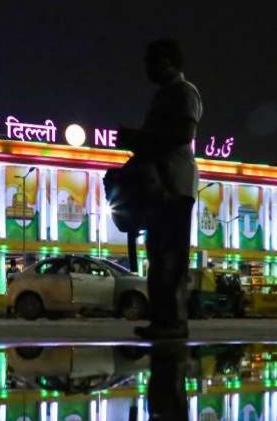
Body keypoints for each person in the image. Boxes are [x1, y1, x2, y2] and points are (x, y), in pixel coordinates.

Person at [118, 39, 203, 341]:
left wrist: (138, 139)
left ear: (167, 62)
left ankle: (174, 323)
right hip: (158, 186)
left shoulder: (184, 92)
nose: (147, 70)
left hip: (175, 186)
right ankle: (164, 320)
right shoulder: (164, 96)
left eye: (150, 63)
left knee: (171, 257)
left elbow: (183, 133)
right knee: (158, 254)